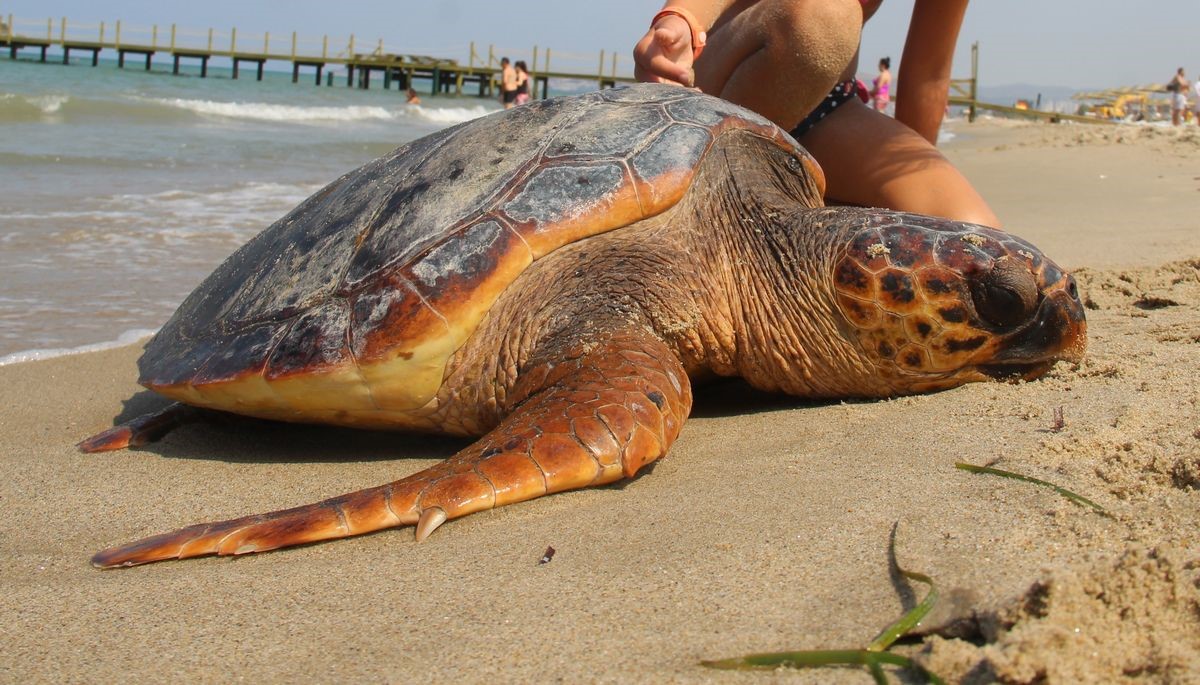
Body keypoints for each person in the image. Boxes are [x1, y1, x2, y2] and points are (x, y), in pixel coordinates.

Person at [633, 0, 1000, 228]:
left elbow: (928, 73)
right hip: (720, 85)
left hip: (826, 106)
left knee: (975, 242)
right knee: (825, 17)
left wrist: (909, 224)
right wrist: (681, 16)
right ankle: (700, 221)